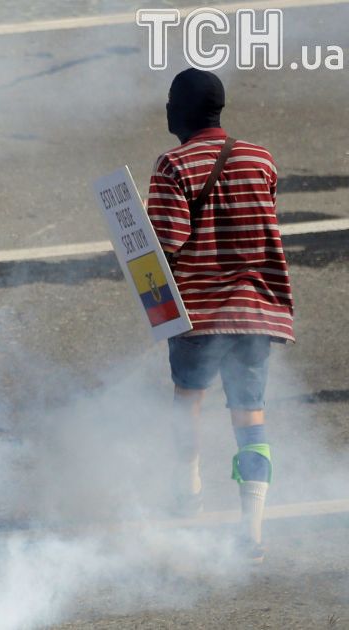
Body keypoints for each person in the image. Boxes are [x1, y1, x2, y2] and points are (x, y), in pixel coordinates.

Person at [146, 69, 294, 563]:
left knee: (188, 401)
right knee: (250, 416)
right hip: (256, 311)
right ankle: (251, 532)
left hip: (201, 313)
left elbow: (167, 244)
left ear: (179, 110)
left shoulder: (173, 165)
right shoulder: (261, 158)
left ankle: (186, 493)